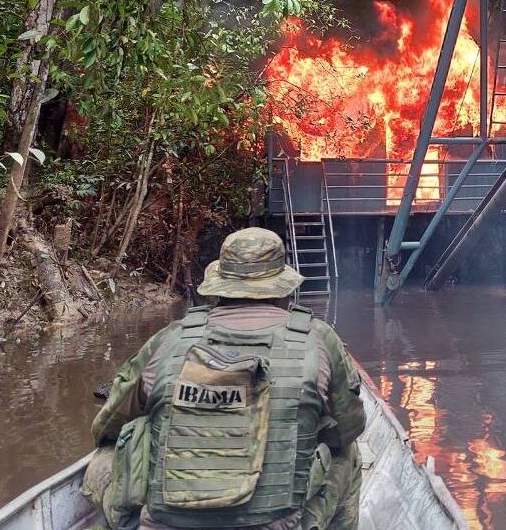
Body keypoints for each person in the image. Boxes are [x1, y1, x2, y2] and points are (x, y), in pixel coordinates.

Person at [84, 227, 364, 530]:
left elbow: (108, 423)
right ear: (284, 290)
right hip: (277, 524)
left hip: (166, 525)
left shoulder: (172, 338)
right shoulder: (318, 339)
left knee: (110, 450)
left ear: (219, 287)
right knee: (347, 454)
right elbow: (349, 427)